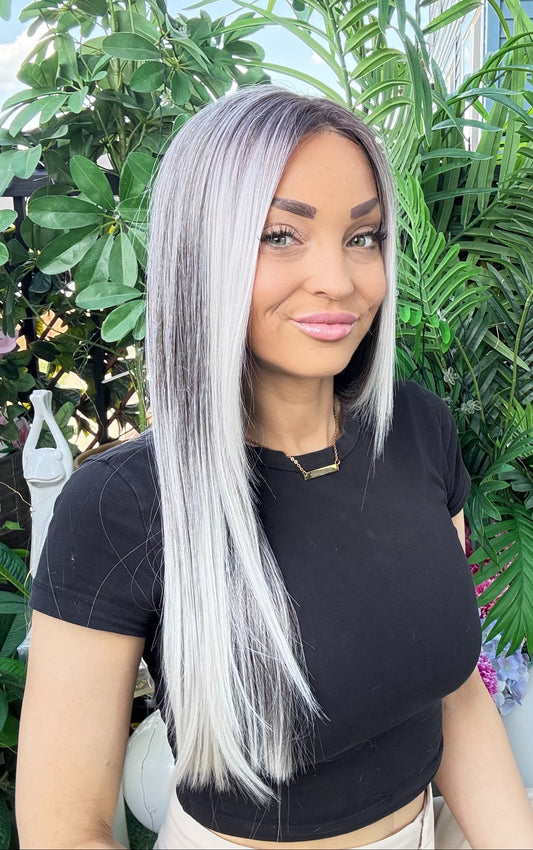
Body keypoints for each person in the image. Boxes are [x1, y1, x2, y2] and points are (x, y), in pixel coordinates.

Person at [15, 87, 533, 850]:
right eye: (279, 235)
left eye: (364, 237)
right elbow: (65, 828)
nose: (339, 279)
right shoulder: (124, 503)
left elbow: (454, 695)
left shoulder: (418, 429)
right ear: (203, 252)